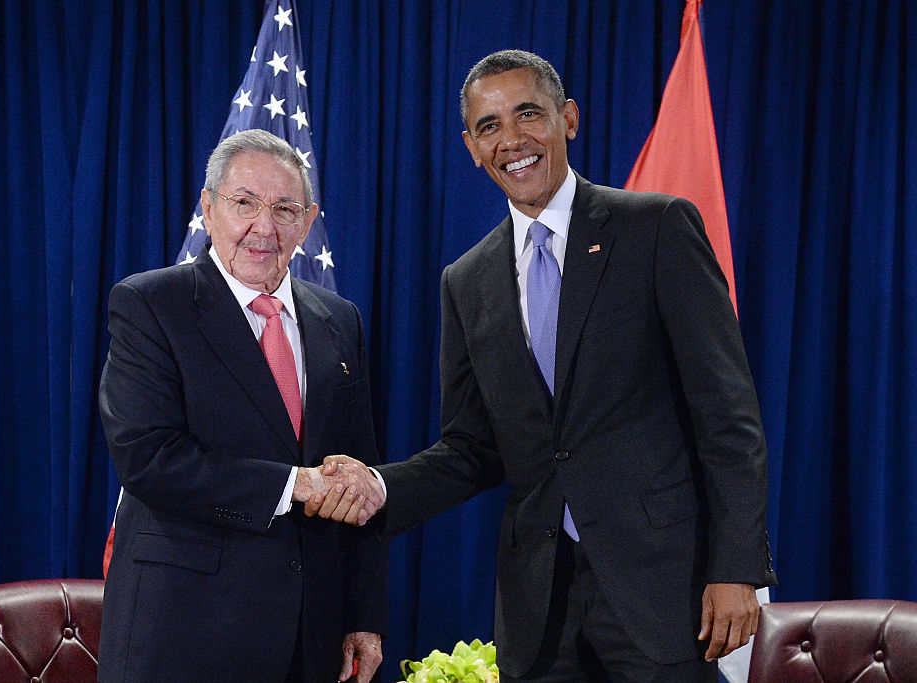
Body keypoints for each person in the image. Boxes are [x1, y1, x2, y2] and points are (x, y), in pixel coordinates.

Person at [310, 50, 776, 682]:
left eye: (528, 114)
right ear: (471, 147)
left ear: (569, 119)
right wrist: (380, 487)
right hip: (540, 611)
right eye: (490, 126)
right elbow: (473, 448)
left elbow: (728, 414)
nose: (513, 140)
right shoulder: (466, 281)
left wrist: (736, 567)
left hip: (664, 595)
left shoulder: (656, 229)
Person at [97, 129, 387, 683]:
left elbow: (359, 476)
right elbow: (149, 459)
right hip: (184, 633)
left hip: (312, 636)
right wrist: (295, 485)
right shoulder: (151, 304)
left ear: (308, 221)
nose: (264, 228)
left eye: (284, 209)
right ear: (208, 209)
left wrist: (364, 615)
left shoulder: (338, 319)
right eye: (244, 203)